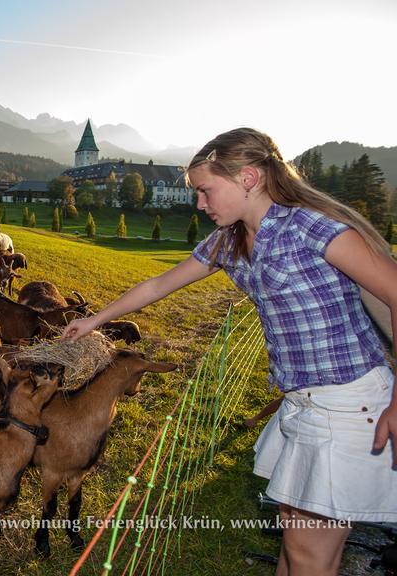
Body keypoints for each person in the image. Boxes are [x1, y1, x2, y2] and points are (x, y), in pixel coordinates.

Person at [62, 127, 397, 576]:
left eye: (205, 190)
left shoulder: (311, 228)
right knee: (300, 545)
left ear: (248, 178)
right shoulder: (230, 240)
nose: (200, 203)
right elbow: (161, 282)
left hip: (350, 403)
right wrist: (97, 319)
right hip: (305, 403)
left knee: (307, 552)